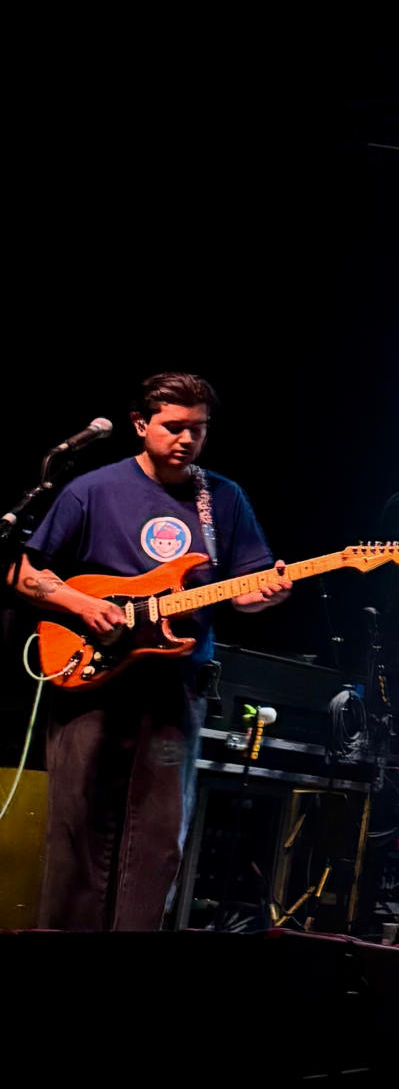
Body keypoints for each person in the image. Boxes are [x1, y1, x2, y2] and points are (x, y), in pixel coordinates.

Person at [11, 372, 289, 931]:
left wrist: (268, 595)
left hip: (174, 692)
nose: (187, 439)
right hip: (92, 676)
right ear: (141, 425)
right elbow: (23, 571)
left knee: (162, 837)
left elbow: (246, 593)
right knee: (78, 828)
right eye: (173, 427)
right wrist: (80, 604)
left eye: (199, 429)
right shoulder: (92, 488)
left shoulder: (223, 499)